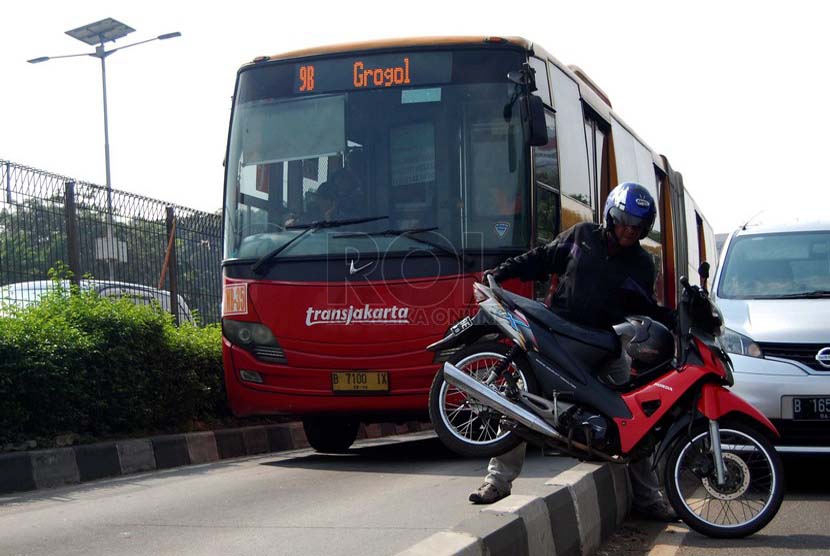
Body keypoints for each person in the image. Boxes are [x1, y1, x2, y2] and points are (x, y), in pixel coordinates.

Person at [467, 181, 679, 523]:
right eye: (624, 221)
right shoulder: (582, 236)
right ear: (611, 216)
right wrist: (503, 272)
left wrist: (677, 316)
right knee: (521, 401)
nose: (628, 230)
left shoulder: (642, 263)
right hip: (556, 334)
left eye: (636, 226)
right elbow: (541, 258)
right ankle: (497, 482)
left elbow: (645, 306)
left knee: (635, 415)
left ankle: (648, 497)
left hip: (606, 345)